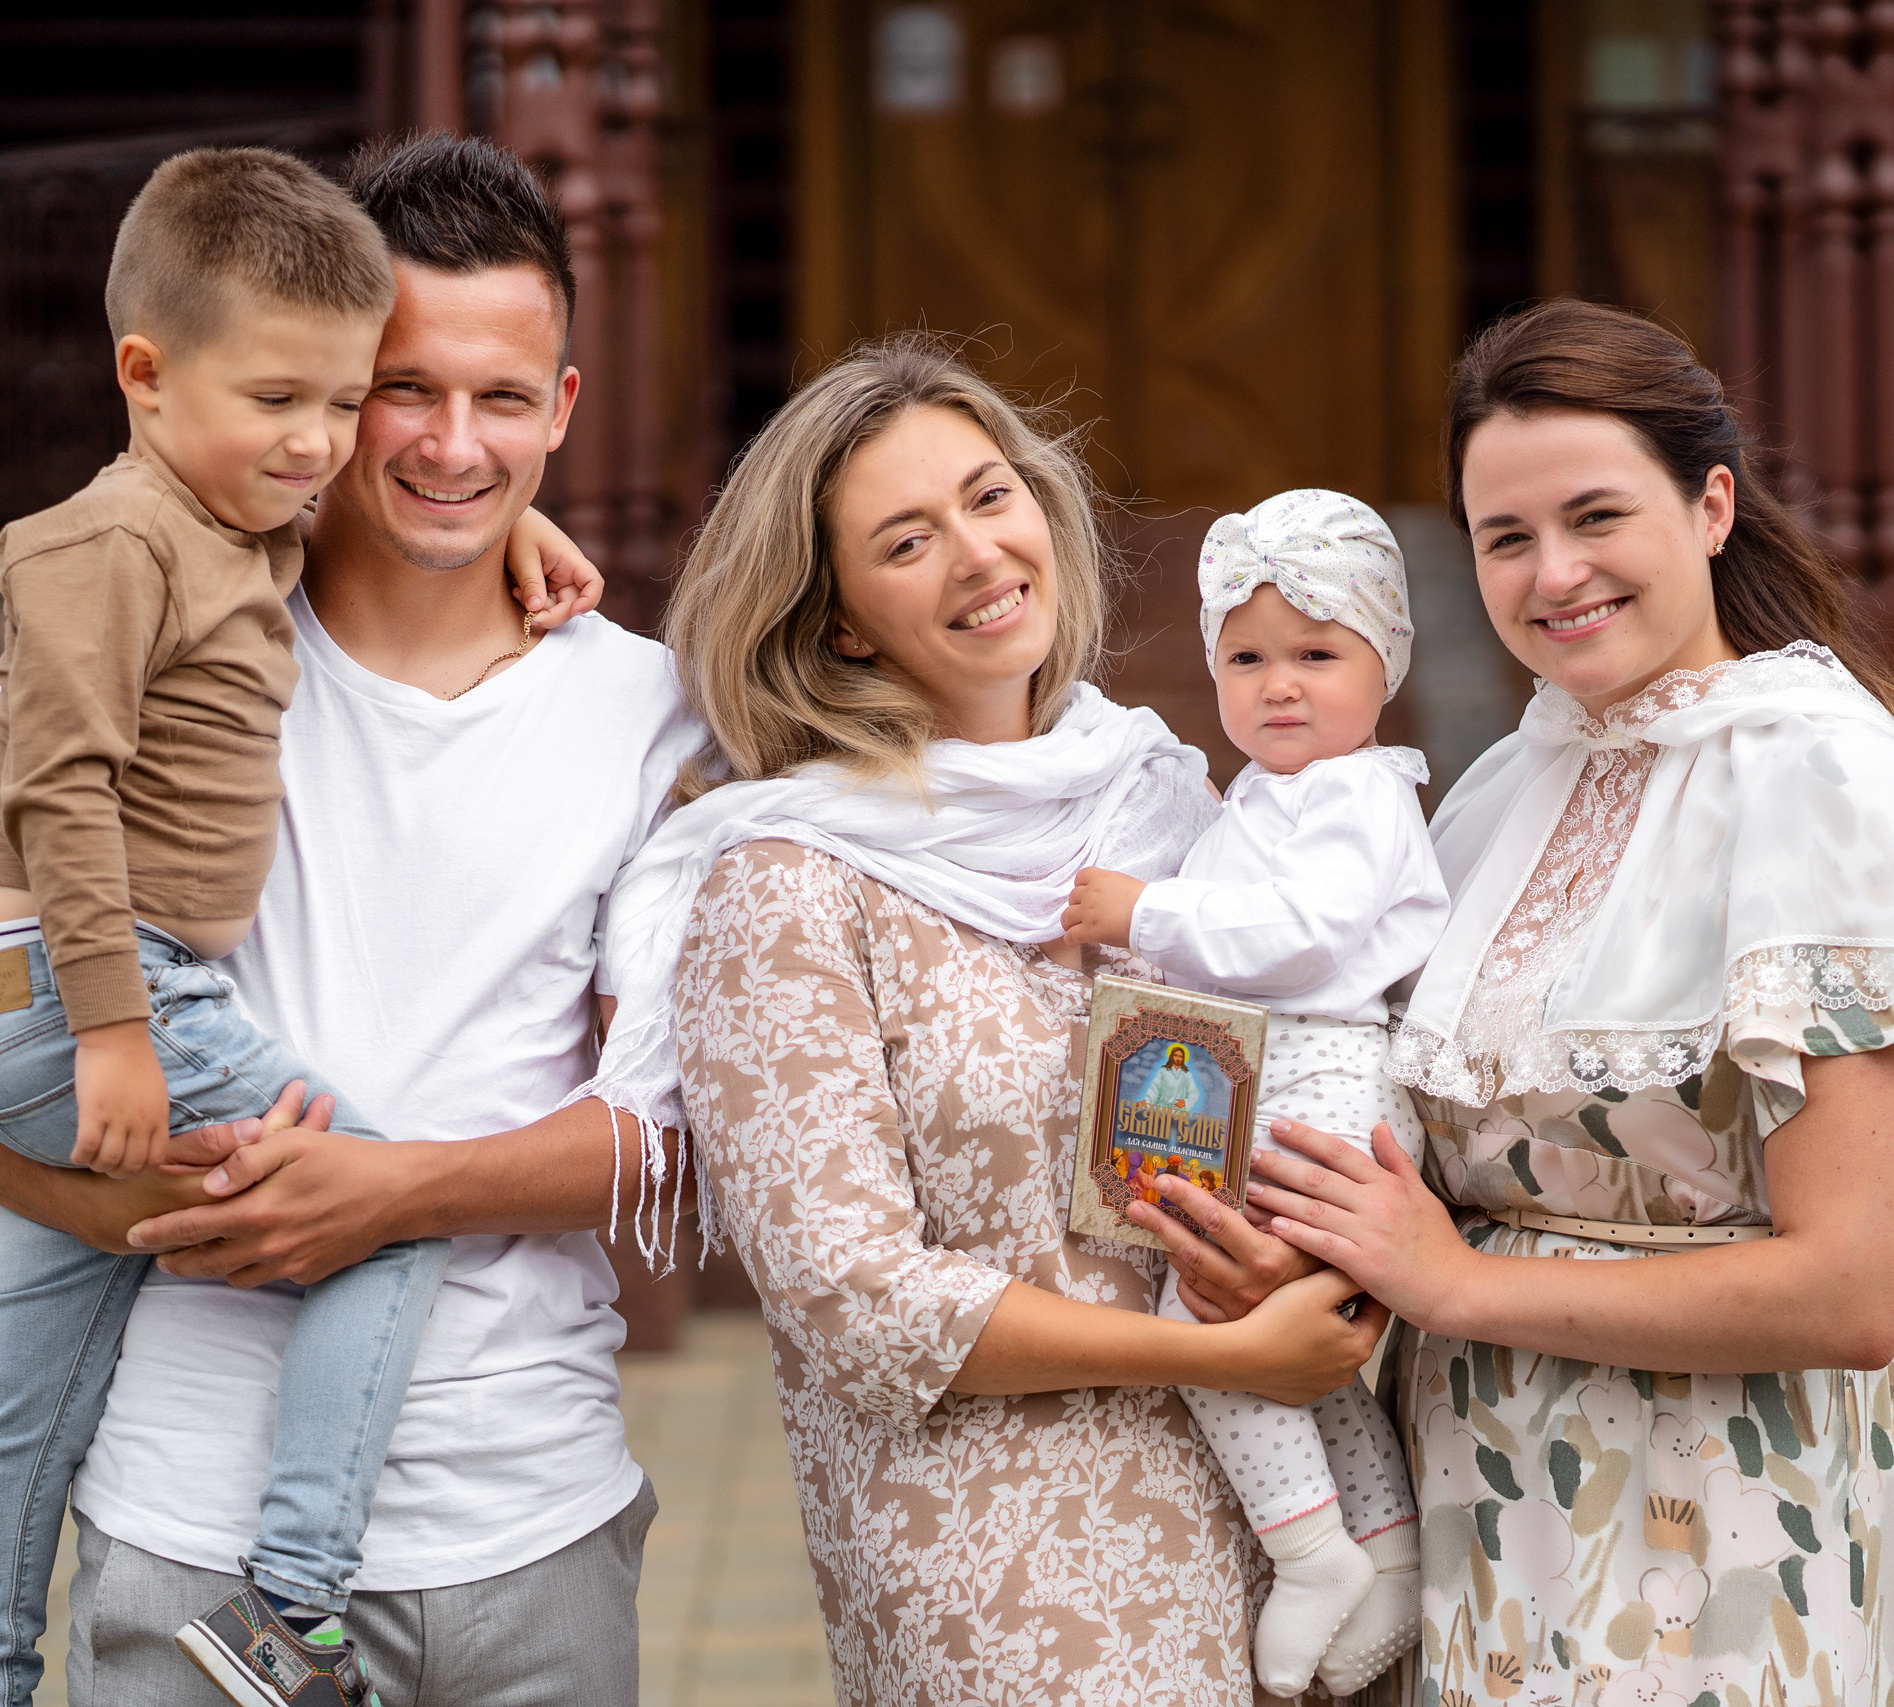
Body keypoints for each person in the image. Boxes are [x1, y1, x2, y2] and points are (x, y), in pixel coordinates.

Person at [0, 134, 703, 1707]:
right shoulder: (149, 623)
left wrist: (389, 1194)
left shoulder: (645, 711)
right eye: (399, 390)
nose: (446, 442)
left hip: (532, 1530)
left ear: (563, 408)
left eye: (503, 398)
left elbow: (674, 1130)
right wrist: (98, 1212)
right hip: (187, 1529)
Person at [563, 332, 1385, 1706]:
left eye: (990, 496)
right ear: (836, 619)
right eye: (905, 539)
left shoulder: (1175, 806)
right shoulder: (784, 885)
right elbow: (851, 1295)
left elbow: (1325, 1073)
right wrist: (1212, 1349)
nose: (978, 552)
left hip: (1296, 1517)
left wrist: (1310, 1276)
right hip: (1010, 1570)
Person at [1230, 300, 1894, 1705]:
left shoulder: (1819, 781)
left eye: (1597, 515)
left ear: (1711, 503)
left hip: (1715, 1524)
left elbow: (1850, 1288)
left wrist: (1459, 1279)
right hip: (1476, 1505)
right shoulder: (1491, 797)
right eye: (1506, 536)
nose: (1556, 572)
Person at [1060, 487, 1449, 1697]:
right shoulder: (1272, 794)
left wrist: (1148, 913)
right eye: (1246, 657)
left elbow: (1297, 931)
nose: (1279, 684)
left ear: (1384, 664)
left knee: (1200, 1315)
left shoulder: (1357, 796)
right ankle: (1381, 1550)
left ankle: (1305, 1548)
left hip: (1324, 1072)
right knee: (1289, 1334)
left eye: (1317, 655)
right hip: (1278, 1072)